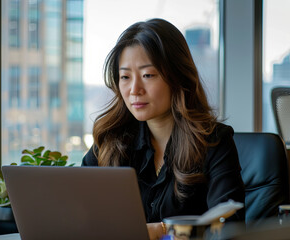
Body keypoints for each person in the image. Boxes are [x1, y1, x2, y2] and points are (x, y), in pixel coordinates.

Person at [82, 18, 245, 240]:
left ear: (177, 77)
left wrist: (161, 230)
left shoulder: (214, 141)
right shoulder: (110, 142)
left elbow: (229, 228)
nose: (134, 89)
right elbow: (81, 218)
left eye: (148, 75)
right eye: (125, 77)